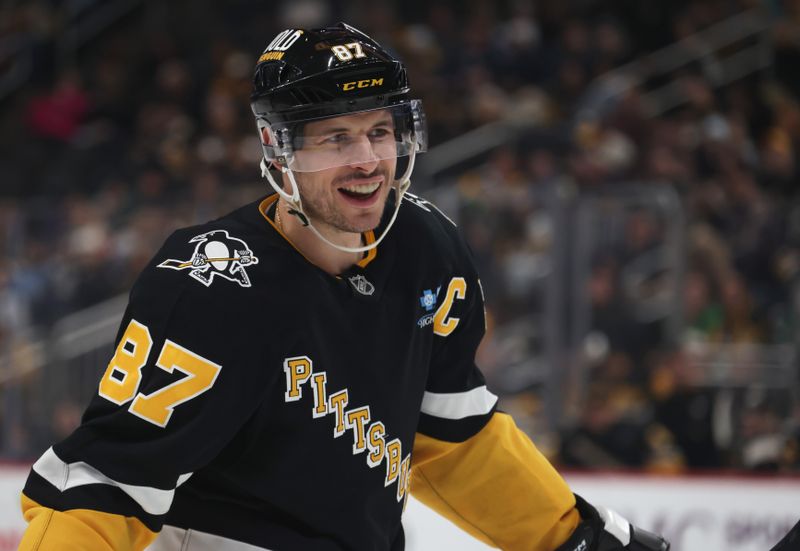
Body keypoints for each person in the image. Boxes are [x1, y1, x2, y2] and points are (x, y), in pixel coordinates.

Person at [18, 23, 670, 551]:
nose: (367, 160)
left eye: (379, 132)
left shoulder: (426, 252)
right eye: (336, 138)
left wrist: (571, 535)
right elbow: (105, 482)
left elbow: (455, 439)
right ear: (278, 150)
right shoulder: (211, 283)